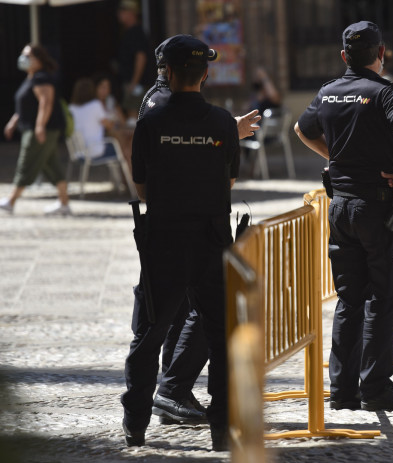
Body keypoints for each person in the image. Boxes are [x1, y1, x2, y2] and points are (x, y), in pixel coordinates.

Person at [129, 34, 261, 428]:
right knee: (211, 329)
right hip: (207, 236)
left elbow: (142, 185)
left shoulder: (151, 119)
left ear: (167, 70)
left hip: (167, 235)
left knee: (153, 333)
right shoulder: (216, 119)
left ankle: (137, 423)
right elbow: (229, 182)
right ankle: (213, 421)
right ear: (206, 72)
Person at [294, 20, 393, 411]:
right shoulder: (383, 91)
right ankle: (376, 388)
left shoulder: (329, 92)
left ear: (343, 56)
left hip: (341, 206)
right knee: (383, 297)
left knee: (349, 298)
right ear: (381, 54)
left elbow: (302, 129)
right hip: (378, 208)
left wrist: (335, 159)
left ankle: (343, 390)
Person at [0, 44, 71, 216]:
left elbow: (46, 103)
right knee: (51, 165)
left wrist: (40, 126)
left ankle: (11, 200)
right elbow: (26, 105)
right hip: (37, 128)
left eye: (28, 55)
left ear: (38, 59)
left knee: (27, 162)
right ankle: (64, 203)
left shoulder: (42, 78)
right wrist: (14, 121)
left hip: (40, 129)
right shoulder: (32, 78)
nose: (23, 58)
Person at [117, 0, 152, 123]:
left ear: (131, 13)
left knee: (134, 117)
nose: (119, 14)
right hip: (133, 84)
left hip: (137, 85)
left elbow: (141, 58)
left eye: (123, 11)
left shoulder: (136, 32)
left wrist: (134, 82)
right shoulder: (129, 32)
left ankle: (136, 142)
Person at [68, 77, 119, 160]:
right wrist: (114, 120)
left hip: (77, 152)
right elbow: (109, 126)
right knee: (122, 147)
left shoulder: (71, 108)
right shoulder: (95, 105)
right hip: (94, 151)